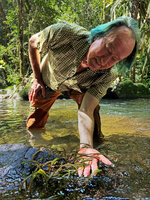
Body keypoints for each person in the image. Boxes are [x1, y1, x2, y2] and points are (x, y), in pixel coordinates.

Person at [27, 16, 140, 177]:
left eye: (115, 59)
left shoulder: (108, 75)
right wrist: (37, 79)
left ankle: (93, 151)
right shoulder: (65, 33)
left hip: (79, 88)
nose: (104, 61)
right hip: (48, 82)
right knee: (34, 125)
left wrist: (86, 146)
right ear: (98, 36)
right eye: (107, 48)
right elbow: (33, 42)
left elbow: (86, 110)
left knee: (94, 129)